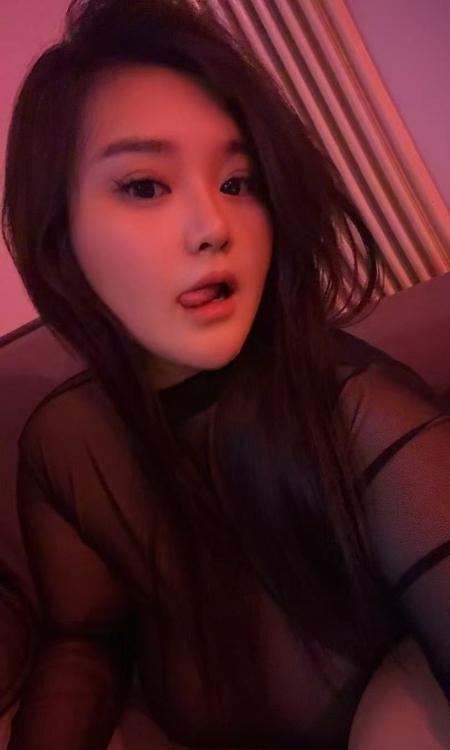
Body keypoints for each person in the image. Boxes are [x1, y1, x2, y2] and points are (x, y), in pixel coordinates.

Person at [1, 0, 449, 748]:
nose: (215, 226)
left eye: (240, 182)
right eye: (145, 185)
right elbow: (85, 639)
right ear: (59, 232)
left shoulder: (363, 415)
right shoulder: (67, 444)